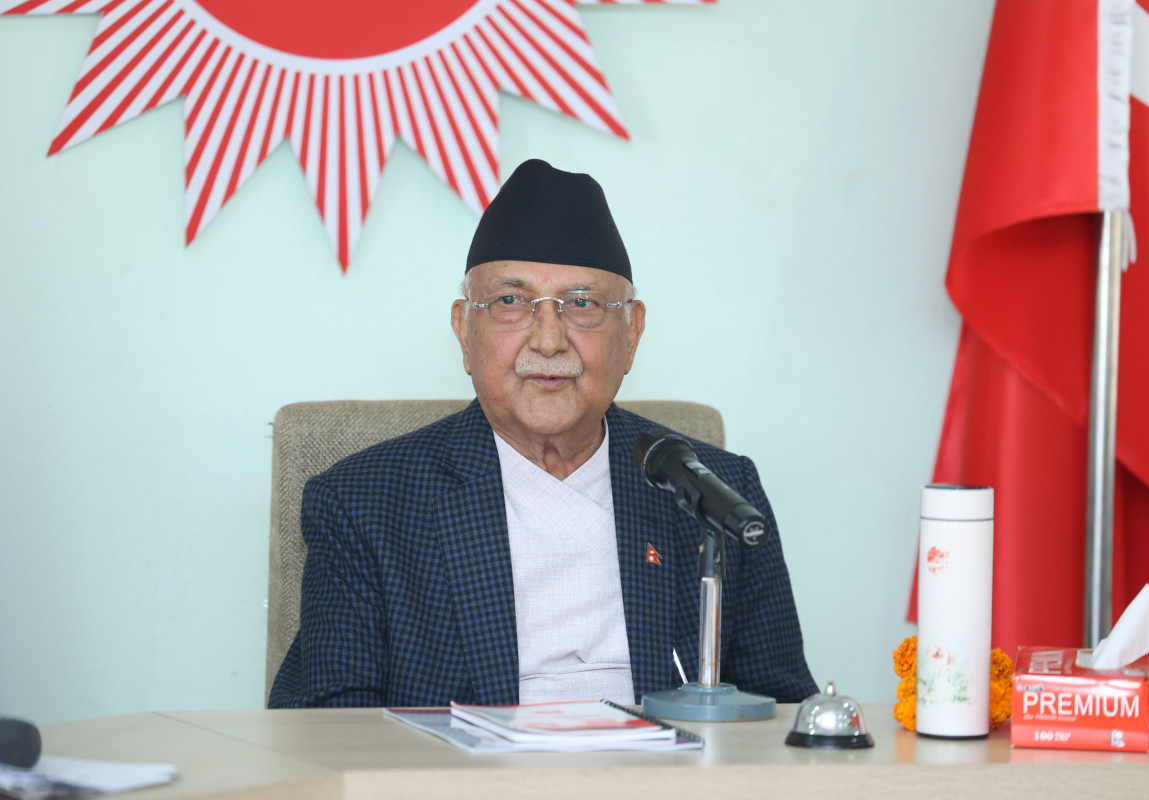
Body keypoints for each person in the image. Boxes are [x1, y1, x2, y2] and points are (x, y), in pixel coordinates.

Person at [269, 159, 817, 708]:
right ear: (464, 330)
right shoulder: (364, 503)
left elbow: (781, 710)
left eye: (582, 304)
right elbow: (330, 724)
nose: (549, 341)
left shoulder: (713, 493)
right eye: (511, 302)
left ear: (632, 332)